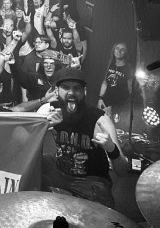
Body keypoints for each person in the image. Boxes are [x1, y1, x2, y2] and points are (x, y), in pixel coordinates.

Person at [41, 68, 128, 208]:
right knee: (32, 166)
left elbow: (122, 170)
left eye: (77, 88)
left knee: (101, 215)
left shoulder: (99, 120)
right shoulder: (48, 110)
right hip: (59, 168)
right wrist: (42, 128)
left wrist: (111, 149)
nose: (71, 93)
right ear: (57, 91)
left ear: (84, 92)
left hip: (90, 178)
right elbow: (22, 140)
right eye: (65, 87)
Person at [98, 42, 134, 126]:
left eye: (122, 49)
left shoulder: (129, 67)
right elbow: (105, 82)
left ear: (126, 53)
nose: (119, 51)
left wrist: (125, 107)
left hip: (119, 104)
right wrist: (100, 98)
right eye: (117, 48)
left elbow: (130, 89)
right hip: (106, 102)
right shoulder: (110, 64)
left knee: (116, 126)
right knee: (103, 125)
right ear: (113, 50)